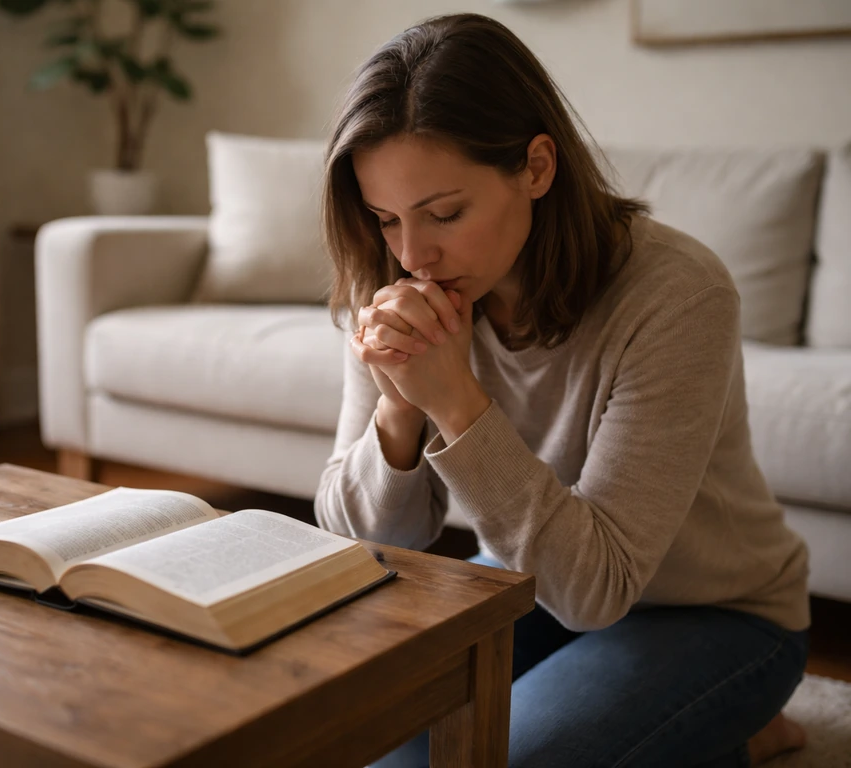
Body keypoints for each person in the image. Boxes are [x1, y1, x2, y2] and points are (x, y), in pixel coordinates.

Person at [313, 13, 811, 768]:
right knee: (355, 733)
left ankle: (729, 716)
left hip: (714, 611)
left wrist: (457, 402)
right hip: (527, 580)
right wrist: (400, 407)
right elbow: (365, 543)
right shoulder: (401, 286)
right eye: (387, 219)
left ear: (538, 167)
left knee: (503, 760)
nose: (414, 254)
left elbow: (596, 591)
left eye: (446, 213)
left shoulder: (677, 295)